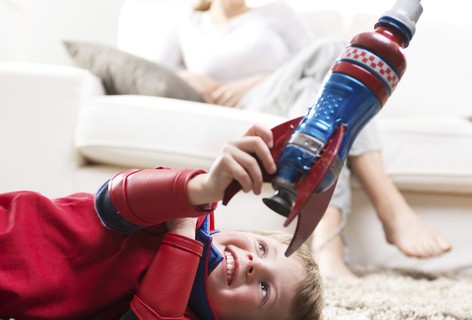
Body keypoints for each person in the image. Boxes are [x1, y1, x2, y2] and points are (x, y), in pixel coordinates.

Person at [156, 0, 452, 277]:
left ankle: (330, 246)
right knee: (332, 71)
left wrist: (257, 80)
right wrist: (188, 77)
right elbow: (159, 74)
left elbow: (327, 66)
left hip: (295, 98)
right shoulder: (189, 22)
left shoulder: (275, 12)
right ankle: (381, 213)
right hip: (248, 105)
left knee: (322, 81)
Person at [0, 124, 323, 320]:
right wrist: (204, 188)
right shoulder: (188, 209)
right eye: (262, 248)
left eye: (265, 289)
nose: (253, 264)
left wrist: (180, 243)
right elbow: (113, 199)